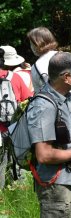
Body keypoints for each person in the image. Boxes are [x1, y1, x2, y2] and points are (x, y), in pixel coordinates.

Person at [27, 27, 71, 209]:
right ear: (66, 78)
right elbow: (44, 155)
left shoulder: (43, 68)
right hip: (66, 118)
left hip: (62, 120)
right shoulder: (63, 58)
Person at [0, 46, 33, 189]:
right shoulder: (16, 77)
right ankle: (19, 187)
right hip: (14, 127)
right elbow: (28, 99)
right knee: (18, 157)